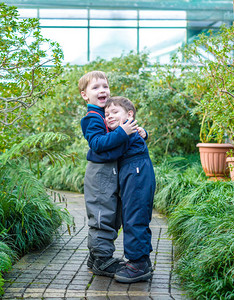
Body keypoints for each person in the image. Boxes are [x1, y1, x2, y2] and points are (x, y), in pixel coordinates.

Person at [79, 71, 138, 277]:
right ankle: (103, 260)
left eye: (105, 86)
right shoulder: (92, 118)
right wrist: (121, 133)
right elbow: (96, 144)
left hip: (108, 173)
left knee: (110, 215)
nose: (102, 90)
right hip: (99, 174)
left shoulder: (105, 115)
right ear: (85, 95)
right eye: (95, 87)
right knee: (102, 216)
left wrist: (138, 132)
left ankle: (95, 257)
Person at [104, 96, 155, 283]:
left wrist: (143, 132)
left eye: (115, 112)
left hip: (137, 173)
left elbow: (108, 145)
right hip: (133, 172)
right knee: (132, 216)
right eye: (106, 114)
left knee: (135, 216)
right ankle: (142, 260)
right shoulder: (127, 130)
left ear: (130, 115)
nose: (109, 116)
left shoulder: (126, 131)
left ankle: (138, 264)